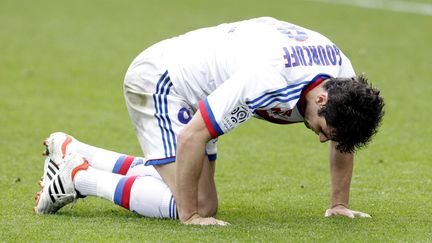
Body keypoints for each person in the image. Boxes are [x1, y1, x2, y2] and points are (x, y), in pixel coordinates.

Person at [34, 17, 384, 226]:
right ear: (320, 99)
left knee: (197, 188)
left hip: (202, 82)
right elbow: (192, 136)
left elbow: (343, 140)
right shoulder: (269, 78)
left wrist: (339, 205)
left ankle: (76, 151)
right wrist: (191, 218)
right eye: (324, 131)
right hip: (161, 80)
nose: (323, 140)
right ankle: (78, 177)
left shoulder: (341, 78)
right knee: (197, 204)